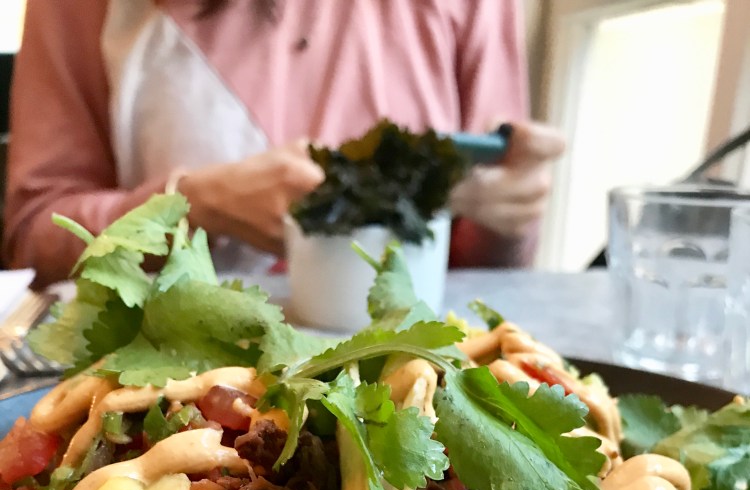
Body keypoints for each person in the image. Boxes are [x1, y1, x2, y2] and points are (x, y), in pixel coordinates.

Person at [4, 0, 565, 286]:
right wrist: (188, 207)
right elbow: (34, 240)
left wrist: (508, 215)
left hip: (413, 381)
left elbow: (487, 274)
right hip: (180, 387)